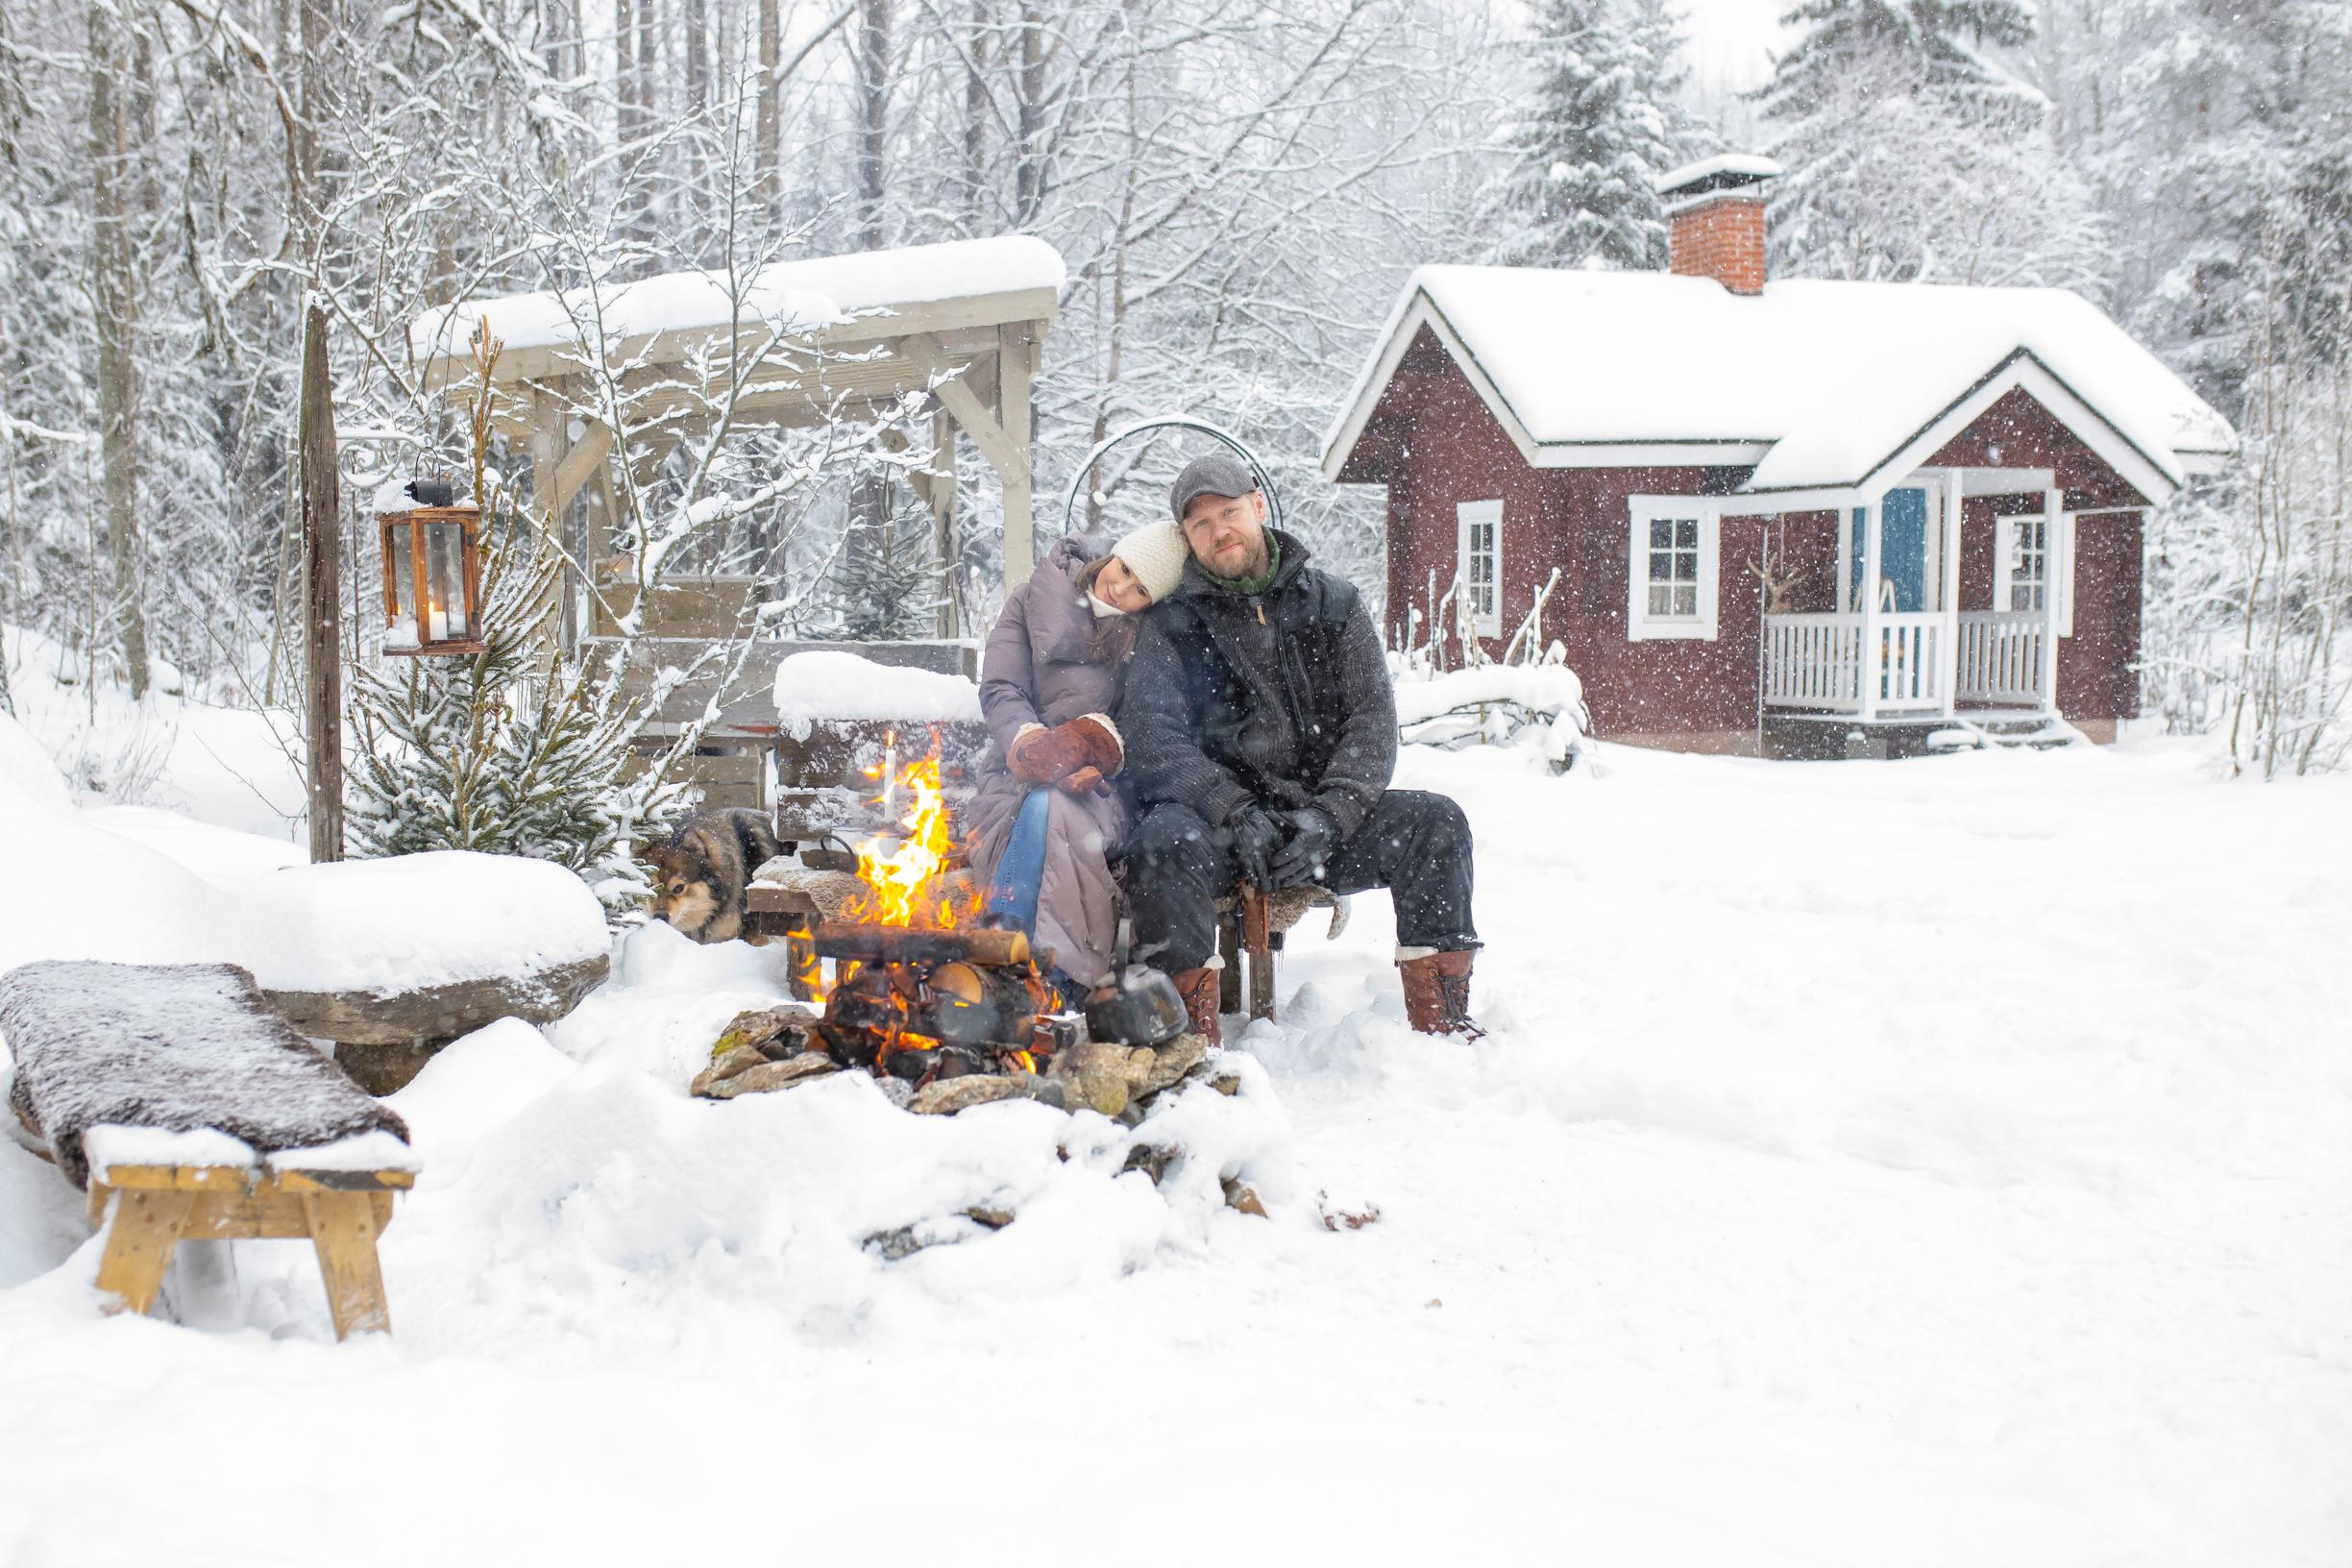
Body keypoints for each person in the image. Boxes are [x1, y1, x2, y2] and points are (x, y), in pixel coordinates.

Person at [1117, 452, 1482, 1043]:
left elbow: (1371, 724)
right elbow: (1154, 738)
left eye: (1229, 512)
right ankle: (1185, 1042)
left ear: (1257, 506)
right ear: (1186, 539)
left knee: (1435, 823)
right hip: (1222, 830)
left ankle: (1441, 1023)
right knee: (1160, 843)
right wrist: (1232, 810)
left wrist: (1328, 816)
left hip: (1319, 829)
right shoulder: (1172, 623)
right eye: (1200, 525)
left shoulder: (1333, 604)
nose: (1219, 532)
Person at [965, 520, 1189, 994]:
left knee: (1053, 809)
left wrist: (1099, 741)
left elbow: (1151, 719)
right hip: (1014, 774)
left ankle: (1025, 962)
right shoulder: (1032, 598)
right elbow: (1002, 686)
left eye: (1140, 589)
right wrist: (1027, 742)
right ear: (1113, 553)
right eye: (1124, 568)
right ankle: (1024, 967)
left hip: (1103, 788)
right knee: (1040, 802)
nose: (1121, 586)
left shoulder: (1150, 639)